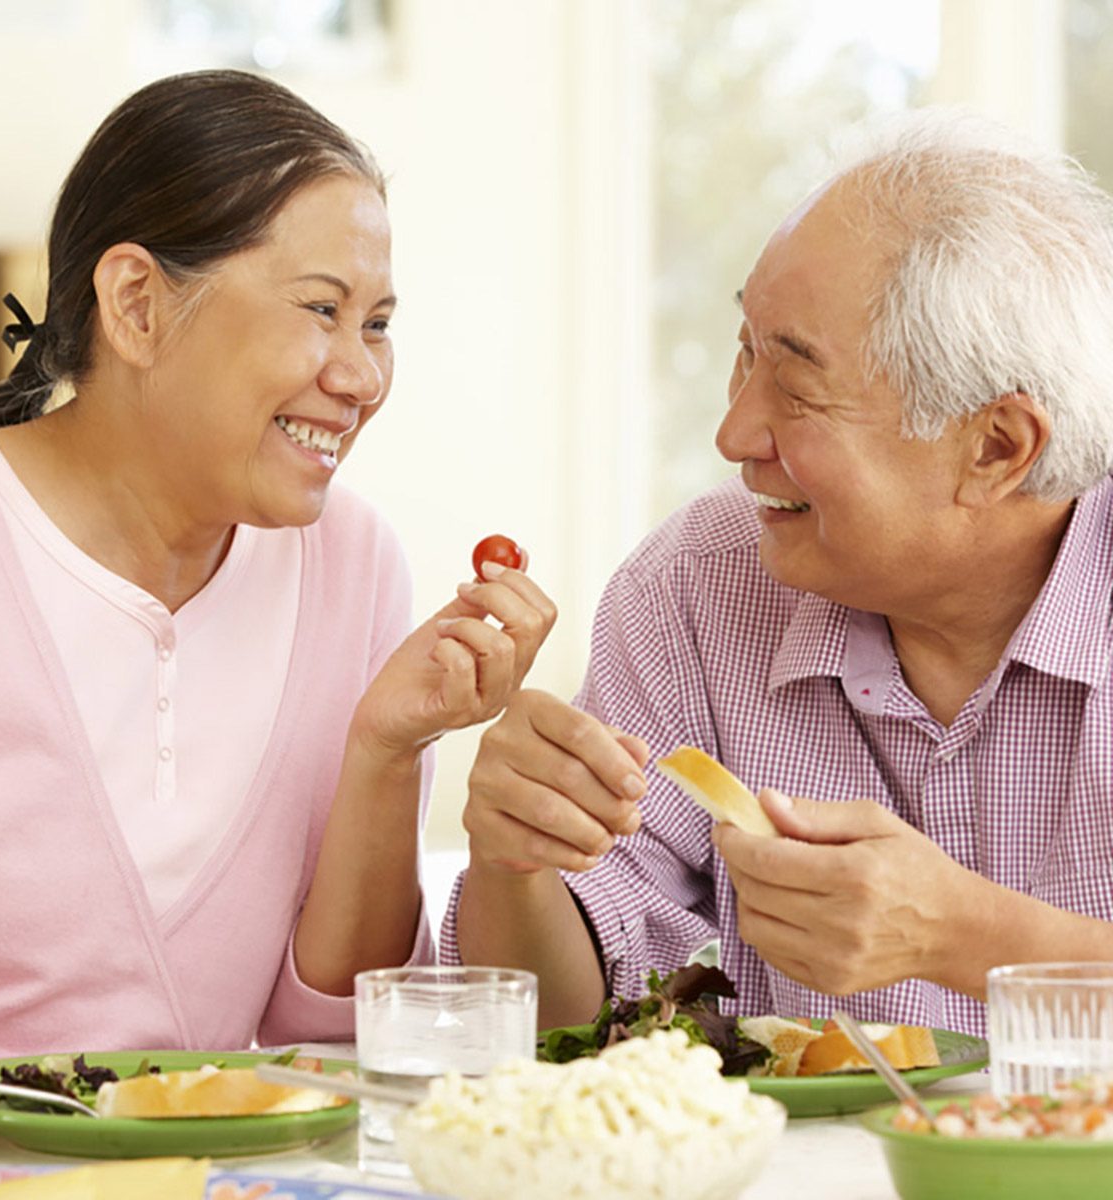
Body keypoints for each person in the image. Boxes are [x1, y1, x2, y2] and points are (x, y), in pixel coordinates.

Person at [0, 70, 554, 1068]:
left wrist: (385, 751)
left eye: (378, 323)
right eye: (322, 309)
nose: (363, 376)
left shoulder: (353, 564)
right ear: (137, 305)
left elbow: (331, 1045)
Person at [444, 109, 1113, 1038]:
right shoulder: (691, 589)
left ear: (997, 447)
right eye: (744, 353)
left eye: (796, 390)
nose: (733, 436)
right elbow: (574, 1025)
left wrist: (969, 935)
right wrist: (512, 860)